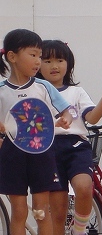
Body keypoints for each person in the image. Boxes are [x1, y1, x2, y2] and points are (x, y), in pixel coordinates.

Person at [36, 40, 102, 235]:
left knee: (84, 186)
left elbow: (93, 117)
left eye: (59, 60)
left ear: (69, 64)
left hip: (76, 147)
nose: (54, 66)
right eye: (47, 61)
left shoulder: (76, 92)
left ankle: (79, 230)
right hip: (48, 149)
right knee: (57, 212)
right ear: (38, 65)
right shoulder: (36, 92)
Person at [0, 29, 72, 235]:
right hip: (11, 156)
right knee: (19, 211)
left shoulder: (43, 86)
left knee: (41, 211)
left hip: (42, 153)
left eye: (39, 56)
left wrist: (66, 119)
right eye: (33, 55)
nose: (38, 61)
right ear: (12, 57)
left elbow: (68, 110)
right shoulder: (2, 90)